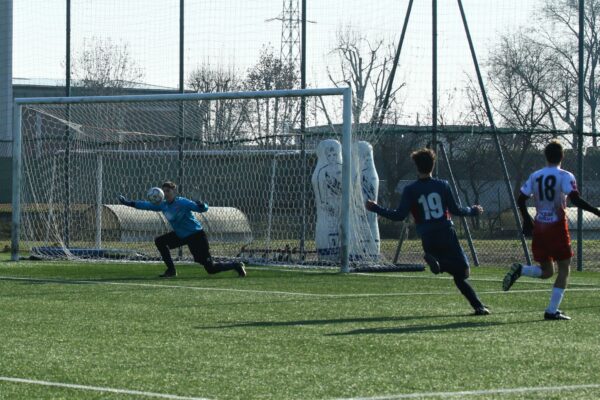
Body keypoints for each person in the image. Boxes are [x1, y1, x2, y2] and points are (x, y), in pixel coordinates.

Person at [365, 148, 489, 315]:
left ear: (416, 167)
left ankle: (478, 306)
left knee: (458, 273)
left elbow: (399, 216)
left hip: (427, 237)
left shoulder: (410, 190)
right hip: (446, 232)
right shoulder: (443, 185)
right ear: (433, 165)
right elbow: (456, 210)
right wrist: (472, 210)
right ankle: (448, 272)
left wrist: (376, 208)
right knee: (463, 272)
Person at [502, 140, 600, 320]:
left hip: (539, 226)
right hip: (556, 227)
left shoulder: (535, 175)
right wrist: (596, 211)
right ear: (562, 156)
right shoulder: (565, 175)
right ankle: (551, 311)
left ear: (545, 156)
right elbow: (575, 200)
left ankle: (521, 270)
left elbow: (521, 199)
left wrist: (526, 220)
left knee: (547, 272)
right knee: (564, 269)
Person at [118, 181, 246, 278]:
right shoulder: (163, 205)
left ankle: (236, 265)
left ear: (173, 192)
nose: (165, 193)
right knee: (160, 241)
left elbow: (201, 209)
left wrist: (202, 205)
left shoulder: (183, 203)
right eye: (164, 191)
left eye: (167, 191)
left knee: (210, 269)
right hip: (181, 235)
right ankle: (171, 270)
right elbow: (145, 205)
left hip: (196, 236)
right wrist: (128, 203)